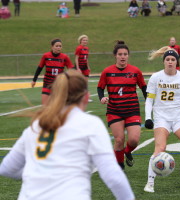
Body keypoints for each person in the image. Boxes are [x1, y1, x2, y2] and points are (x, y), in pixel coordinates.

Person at [0, 70, 135, 200]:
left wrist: (38, 175)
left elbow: (6, 168)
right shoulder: (90, 124)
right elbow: (112, 175)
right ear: (86, 96)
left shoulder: (37, 124)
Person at [143, 46, 180, 193]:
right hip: (161, 117)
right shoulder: (156, 77)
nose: (170, 62)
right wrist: (148, 118)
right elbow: (149, 100)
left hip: (179, 117)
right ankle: (150, 182)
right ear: (163, 61)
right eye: (167, 59)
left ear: (176, 62)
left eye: (173, 59)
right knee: (160, 148)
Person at [97, 40, 147, 170]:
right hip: (114, 110)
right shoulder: (107, 72)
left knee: (134, 140)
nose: (123, 56)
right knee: (119, 140)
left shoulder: (135, 71)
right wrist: (102, 98)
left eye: (125, 54)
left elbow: (144, 88)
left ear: (128, 55)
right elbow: (100, 88)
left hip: (132, 110)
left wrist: (149, 102)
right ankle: (120, 168)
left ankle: (127, 151)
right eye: (120, 54)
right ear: (115, 56)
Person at [31, 38, 74, 105]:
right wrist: (34, 80)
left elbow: (72, 69)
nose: (58, 48)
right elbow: (39, 68)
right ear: (52, 47)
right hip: (47, 84)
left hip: (58, 84)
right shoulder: (46, 56)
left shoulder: (64, 57)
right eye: (56, 46)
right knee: (45, 106)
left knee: (57, 106)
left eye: (60, 46)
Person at [75, 35, 93, 102]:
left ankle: (86, 97)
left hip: (85, 67)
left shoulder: (87, 48)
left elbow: (86, 59)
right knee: (79, 82)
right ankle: (78, 97)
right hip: (80, 67)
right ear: (80, 41)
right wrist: (78, 68)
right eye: (84, 40)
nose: (85, 41)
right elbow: (76, 58)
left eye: (86, 40)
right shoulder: (78, 48)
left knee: (86, 82)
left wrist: (88, 66)